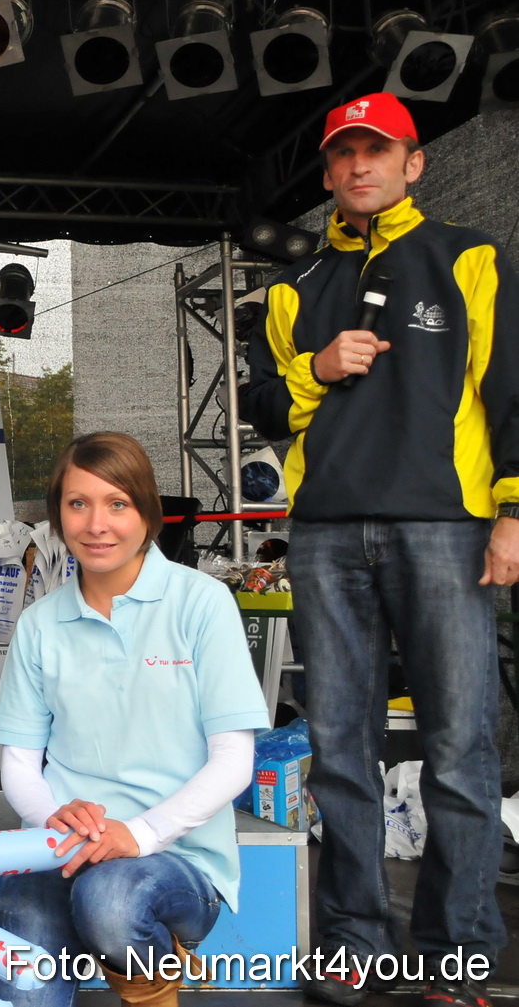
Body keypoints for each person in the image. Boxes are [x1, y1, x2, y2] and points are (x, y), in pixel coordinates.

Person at [244, 92, 519, 1007]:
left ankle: (458, 951)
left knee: (459, 749)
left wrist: (514, 509)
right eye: (343, 153)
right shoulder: (294, 286)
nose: (359, 165)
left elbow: (510, 387)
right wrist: (315, 368)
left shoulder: (468, 256)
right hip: (324, 534)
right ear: (326, 171)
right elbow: (261, 408)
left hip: (444, 527)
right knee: (339, 752)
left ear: (412, 162)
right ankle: (355, 941)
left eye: (377, 149)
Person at [0, 432, 268, 1007]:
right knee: (18, 963)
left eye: (117, 503)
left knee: (111, 901)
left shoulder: (202, 603)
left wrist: (137, 835)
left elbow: (234, 761)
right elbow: (19, 766)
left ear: (147, 512)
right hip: (64, 849)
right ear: (58, 514)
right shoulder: (39, 624)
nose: (96, 524)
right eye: (77, 503)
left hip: (177, 857)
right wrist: (53, 816)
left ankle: (154, 991)